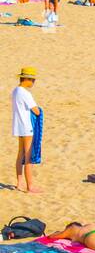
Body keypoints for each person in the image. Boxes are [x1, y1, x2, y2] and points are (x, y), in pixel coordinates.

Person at [11, 66, 41, 194]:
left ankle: (19, 183)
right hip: (27, 127)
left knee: (20, 155)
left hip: (18, 126)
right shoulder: (26, 93)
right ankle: (30, 186)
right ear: (27, 79)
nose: (33, 83)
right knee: (28, 157)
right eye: (32, 80)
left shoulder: (15, 91)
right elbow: (36, 111)